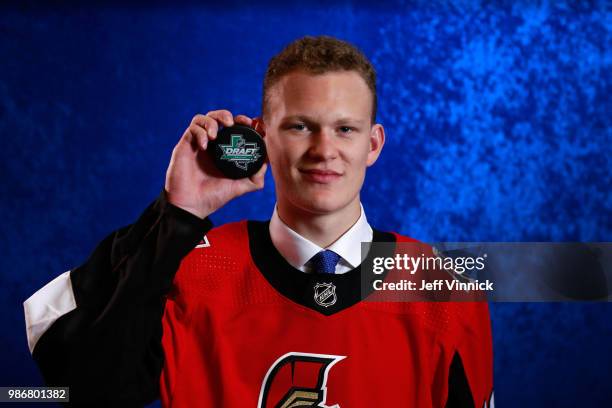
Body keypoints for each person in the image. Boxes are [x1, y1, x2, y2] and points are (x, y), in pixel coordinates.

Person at [24, 35, 494, 407]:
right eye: (299, 126)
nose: (323, 150)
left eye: (344, 129)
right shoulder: (189, 263)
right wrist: (177, 214)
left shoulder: (439, 285)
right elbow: (82, 389)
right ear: (263, 137)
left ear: (373, 144)